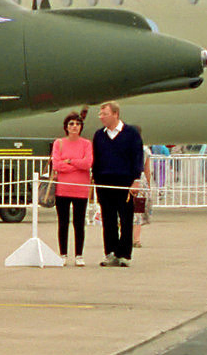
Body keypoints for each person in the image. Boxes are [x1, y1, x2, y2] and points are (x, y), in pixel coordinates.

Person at [91, 101, 145, 267]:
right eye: (100, 114)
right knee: (108, 219)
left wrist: (136, 180)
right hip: (105, 182)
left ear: (115, 114)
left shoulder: (131, 134)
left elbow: (137, 157)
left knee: (126, 218)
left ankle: (125, 254)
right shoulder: (99, 135)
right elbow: (97, 159)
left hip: (125, 182)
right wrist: (96, 180)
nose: (101, 118)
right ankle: (110, 252)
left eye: (104, 114)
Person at [50, 112, 93, 266]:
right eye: (71, 124)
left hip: (81, 189)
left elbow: (87, 163)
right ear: (66, 127)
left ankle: (79, 255)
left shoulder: (86, 144)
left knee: (79, 222)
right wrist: (75, 165)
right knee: (63, 222)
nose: (75, 126)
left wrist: (69, 161)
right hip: (62, 189)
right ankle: (63, 254)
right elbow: (56, 165)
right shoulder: (59, 143)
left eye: (77, 124)